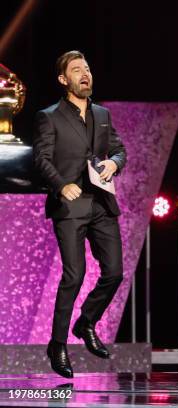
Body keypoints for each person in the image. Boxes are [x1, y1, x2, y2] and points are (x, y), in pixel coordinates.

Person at [33, 50, 127, 379]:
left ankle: (85, 322)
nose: (85, 73)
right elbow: (41, 159)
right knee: (74, 274)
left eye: (87, 68)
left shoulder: (102, 114)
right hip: (70, 204)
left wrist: (115, 162)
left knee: (114, 271)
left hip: (101, 203)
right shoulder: (50, 116)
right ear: (64, 80)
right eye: (76, 70)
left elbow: (118, 149)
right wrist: (60, 186)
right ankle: (57, 343)